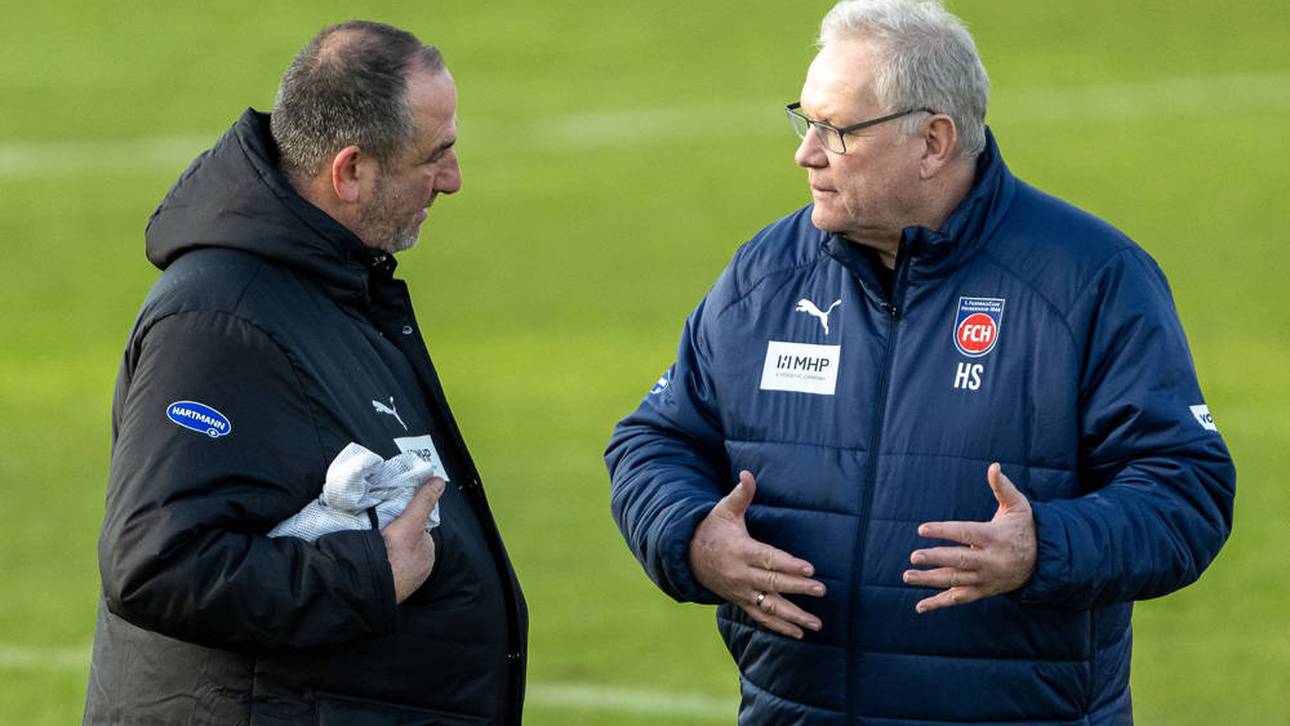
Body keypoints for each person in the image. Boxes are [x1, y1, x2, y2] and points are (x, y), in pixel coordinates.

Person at [605, 1, 1235, 723]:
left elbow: (1186, 491)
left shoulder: (1090, 281)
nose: (805, 153)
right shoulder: (765, 277)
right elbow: (654, 440)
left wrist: (1045, 548)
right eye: (803, 120)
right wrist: (689, 535)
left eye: (834, 130)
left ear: (934, 142)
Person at [84, 21, 526, 725]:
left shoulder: (334, 288)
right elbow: (158, 562)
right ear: (349, 171)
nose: (453, 180)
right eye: (434, 156)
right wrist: (369, 575)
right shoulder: (219, 321)